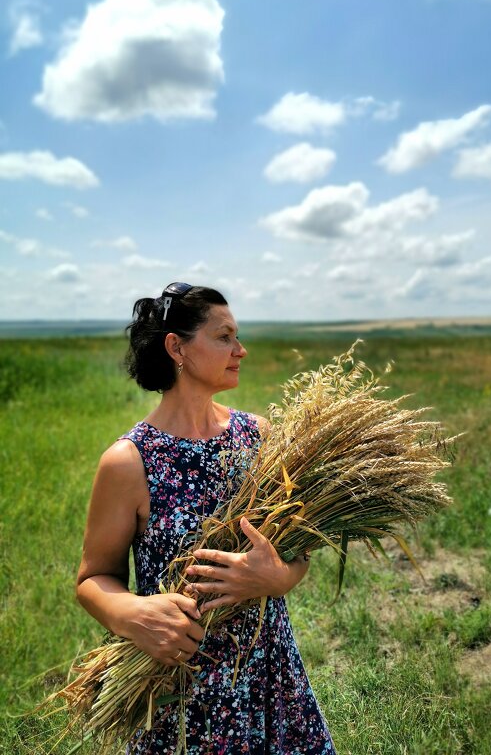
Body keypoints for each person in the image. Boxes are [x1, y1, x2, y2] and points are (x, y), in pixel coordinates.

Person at [76, 282, 336, 754]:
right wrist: (131, 613)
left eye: (237, 337)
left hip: (269, 678)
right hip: (181, 687)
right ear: (176, 346)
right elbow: (94, 578)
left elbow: (300, 554)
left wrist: (277, 577)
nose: (241, 350)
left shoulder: (259, 437)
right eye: (224, 337)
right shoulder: (128, 462)